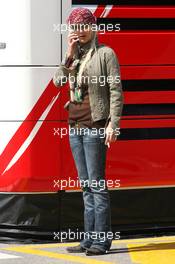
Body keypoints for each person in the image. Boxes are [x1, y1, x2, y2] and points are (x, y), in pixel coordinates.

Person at [53, 7, 124, 256]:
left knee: (97, 186)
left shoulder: (106, 54)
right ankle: (88, 239)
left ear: (93, 27)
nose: (80, 31)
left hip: (95, 127)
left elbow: (116, 92)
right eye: (76, 27)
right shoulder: (76, 56)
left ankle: (101, 241)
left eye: (84, 26)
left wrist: (113, 125)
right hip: (75, 128)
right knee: (85, 186)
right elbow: (58, 82)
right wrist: (68, 56)